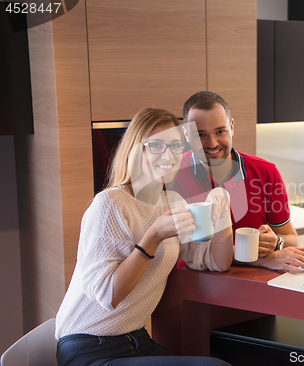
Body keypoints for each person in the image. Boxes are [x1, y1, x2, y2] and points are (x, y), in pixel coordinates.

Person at [55, 108, 232, 366]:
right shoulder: (110, 204)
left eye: (175, 146)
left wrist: (222, 206)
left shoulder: (172, 202)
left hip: (137, 341)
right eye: (157, 145)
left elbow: (217, 261)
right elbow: (108, 295)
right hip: (89, 346)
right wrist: (153, 236)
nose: (168, 154)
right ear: (136, 150)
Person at [173, 91, 304, 272]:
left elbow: (290, 236)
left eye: (220, 131)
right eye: (201, 135)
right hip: (191, 287)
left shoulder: (266, 172)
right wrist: (261, 258)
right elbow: (186, 249)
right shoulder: (172, 176)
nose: (212, 143)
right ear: (186, 133)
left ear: (231, 127)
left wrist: (276, 242)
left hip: (254, 287)